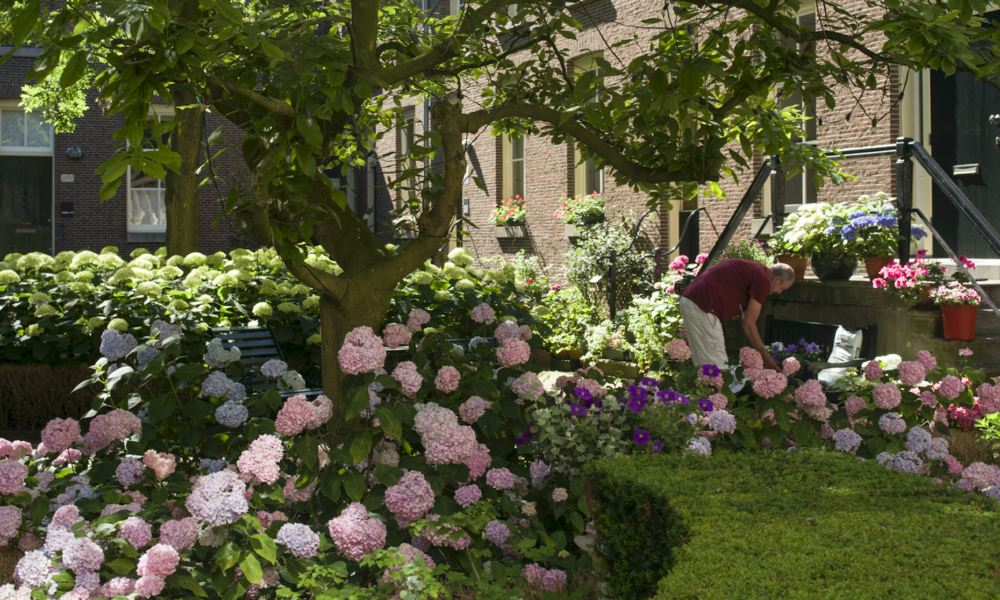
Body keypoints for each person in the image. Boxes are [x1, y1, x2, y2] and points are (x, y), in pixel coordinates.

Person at [679, 259, 795, 372]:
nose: (779, 292)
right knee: (718, 367)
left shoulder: (756, 271)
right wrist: (766, 357)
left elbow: (746, 320)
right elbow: (749, 325)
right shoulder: (763, 280)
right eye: (782, 288)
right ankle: (716, 391)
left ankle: (704, 391)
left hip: (693, 301)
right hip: (703, 305)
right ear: (777, 279)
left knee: (707, 365)